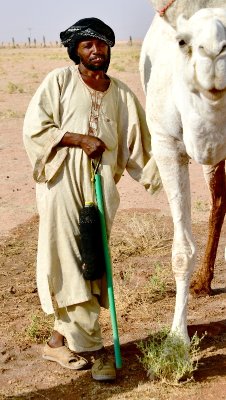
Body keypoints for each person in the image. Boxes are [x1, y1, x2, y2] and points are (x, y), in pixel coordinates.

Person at [23, 17, 161, 381]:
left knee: (91, 263)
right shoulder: (59, 81)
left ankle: (56, 341)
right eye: (87, 45)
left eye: (101, 44)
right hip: (61, 186)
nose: (96, 51)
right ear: (76, 52)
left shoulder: (121, 93)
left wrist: (165, 176)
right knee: (72, 262)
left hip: (102, 191)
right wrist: (77, 138)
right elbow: (35, 129)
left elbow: (142, 145)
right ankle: (94, 350)